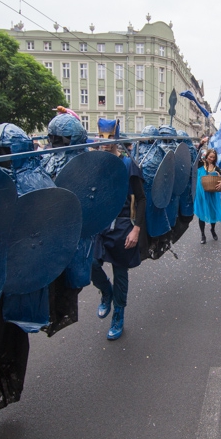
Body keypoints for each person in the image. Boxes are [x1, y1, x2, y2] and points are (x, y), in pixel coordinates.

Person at [93, 119, 146, 340]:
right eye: (102, 138)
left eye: (109, 138)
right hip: (98, 223)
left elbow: (141, 199)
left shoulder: (127, 164)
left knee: (120, 272)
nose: (105, 143)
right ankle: (106, 291)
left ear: (116, 138)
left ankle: (119, 315)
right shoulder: (94, 163)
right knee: (89, 263)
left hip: (123, 223)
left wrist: (136, 230)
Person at [195, 146, 221, 244]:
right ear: (207, 156)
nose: (211, 159)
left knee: (213, 213)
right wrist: (201, 144)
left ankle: (212, 230)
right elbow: (196, 154)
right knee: (201, 213)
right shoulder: (200, 164)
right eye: (210, 156)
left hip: (212, 194)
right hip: (201, 194)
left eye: (213, 157)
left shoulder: (216, 168)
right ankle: (202, 235)